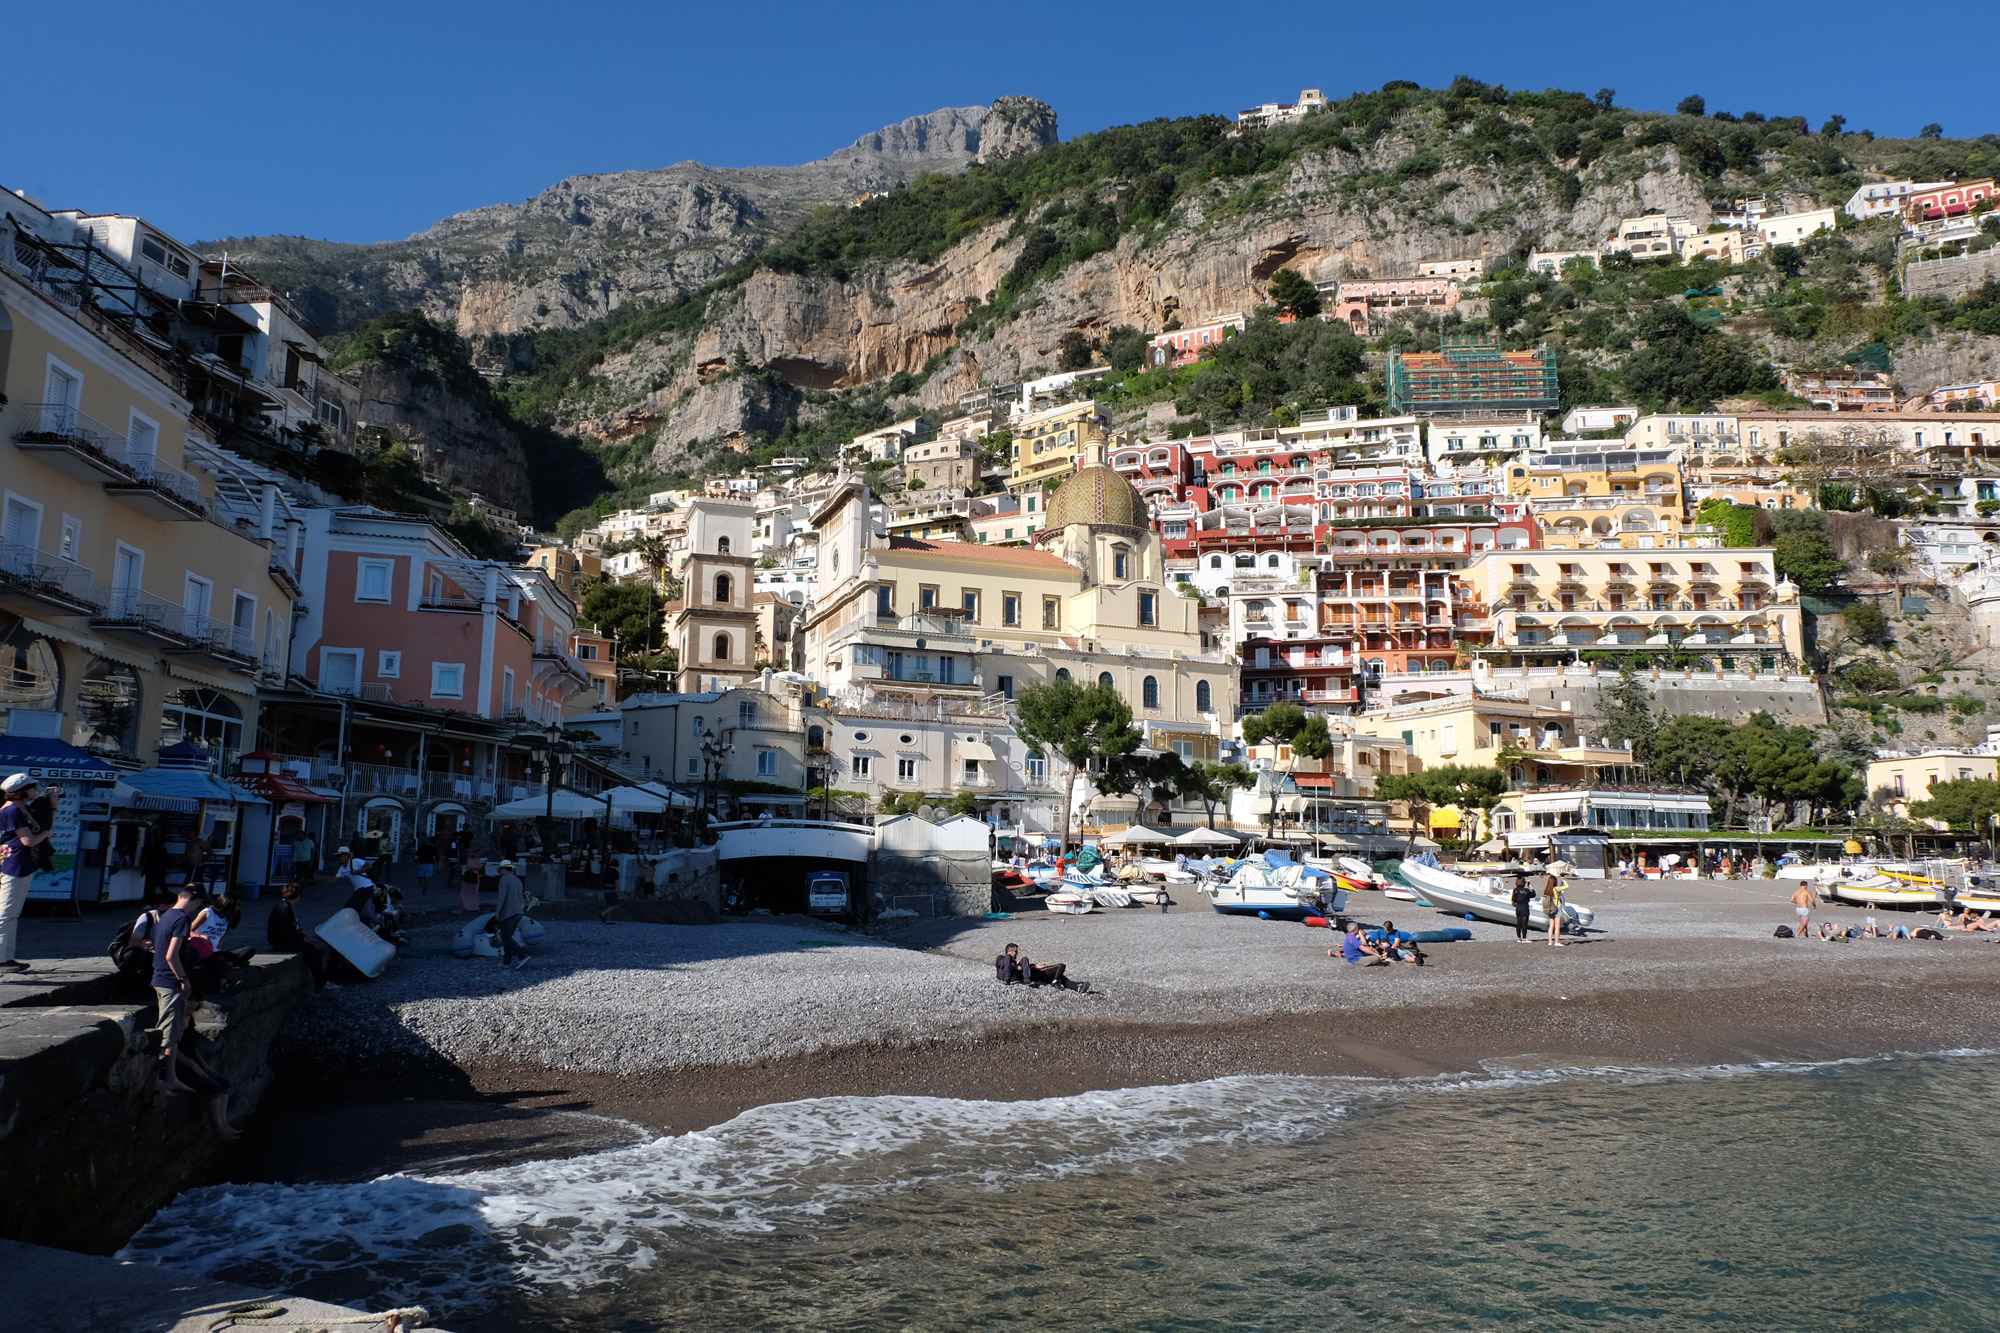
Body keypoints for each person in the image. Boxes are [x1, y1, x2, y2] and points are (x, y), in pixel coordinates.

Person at [0, 773, 57, 973]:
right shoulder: (13, 810)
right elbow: (28, 840)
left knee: (12, 913)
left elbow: (44, 825)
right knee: (6, 912)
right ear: (22, 790)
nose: (35, 790)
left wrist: (52, 804)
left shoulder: (23, 809)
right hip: (13, 863)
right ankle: (1, 958)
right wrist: (45, 835)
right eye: (32, 787)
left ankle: (7, 957)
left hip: (22, 863)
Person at [152, 886, 200, 1094]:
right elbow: (172, 955)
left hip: (160, 977)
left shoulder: (167, 915)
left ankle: (171, 1077)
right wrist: (184, 979)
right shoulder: (182, 919)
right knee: (168, 1034)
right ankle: (164, 1079)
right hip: (170, 981)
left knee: (171, 1033)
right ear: (196, 902)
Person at [172, 1032, 239, 1141]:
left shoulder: (188, 1021)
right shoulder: (175, 1022)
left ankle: (224, 1124)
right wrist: (193, 1065)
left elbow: (191, 1048)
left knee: (224, 1083)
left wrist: (204, 1064)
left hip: (189, 1066)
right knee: (214, 1087)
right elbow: (169, 1049)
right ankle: (219, 1129)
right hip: (177, 1068)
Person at [268, 880, 333, 989]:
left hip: (281, 939)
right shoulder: (285, 909)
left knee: (313, 949)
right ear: (297, 896)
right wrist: (303, 938)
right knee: (314, 952)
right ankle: (321, 982)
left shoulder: (283, 905)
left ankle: (322, 981)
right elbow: (288, 930)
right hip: (281, 942)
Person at [994, 942, 1088, 991]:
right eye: (1016, 951)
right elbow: (1007, 964)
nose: (1017, 953)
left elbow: (1025, 966)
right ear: (1010, 951)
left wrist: (1034, 965)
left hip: (1033, 974)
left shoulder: (1016, 963)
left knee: (1060, 977)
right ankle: (1055, 982)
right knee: (1061, 966)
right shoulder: (1002, 958)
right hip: (1034, 974)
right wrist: (1015, 967)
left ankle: (1077, 988)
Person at [494, 859, 529, 971]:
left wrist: (497, 912)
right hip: (518, 911)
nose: (499, 872)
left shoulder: (504, 880)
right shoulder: (517, 880)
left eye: (500, 870)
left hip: (508, 913)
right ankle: (507, 961)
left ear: (504, 869)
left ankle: (522, 956)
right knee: (507, 937)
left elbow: (502, 898)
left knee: (506, 937)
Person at [458, 848, 485, 913]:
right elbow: (470, 867)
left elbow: (480, 867)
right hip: (470, 875)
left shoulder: (478, 860)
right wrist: (476, 867)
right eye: (477, 853)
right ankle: (465, 905)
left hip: (475, 876)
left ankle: (474, 906)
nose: (478, 854)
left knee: (474, 892)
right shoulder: (470, 859)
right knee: (467, 891)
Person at [1510, 870, 1533, 943]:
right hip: (1525, 907)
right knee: (1524, 924)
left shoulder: (1515, 890)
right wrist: (1531, 887)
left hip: (1518, 907)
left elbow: (1513, 899)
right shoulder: (1526, 890)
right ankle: (1524, 938)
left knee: (1518, 923)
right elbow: (1533, 894)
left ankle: (1519, 938)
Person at [1544, 874, 1566, 947]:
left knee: (1551, 926)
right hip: (1557, 908)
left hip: (1550, 908)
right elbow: (1566, 886)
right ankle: (1557, 941)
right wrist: (1564, 880)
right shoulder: (1556, 889)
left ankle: (1550, 941)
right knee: (1557, 926)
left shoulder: (1546, 890)